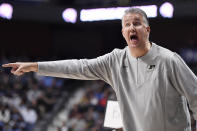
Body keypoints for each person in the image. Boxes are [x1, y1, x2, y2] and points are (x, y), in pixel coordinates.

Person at [2, 7, 197, 131]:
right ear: (122, 32)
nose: (132, 28)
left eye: (137, 24)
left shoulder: (170, 60)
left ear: (147, 30)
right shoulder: (114, 61)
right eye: (127, 25)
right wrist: (35, 66)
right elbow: (78, 66)